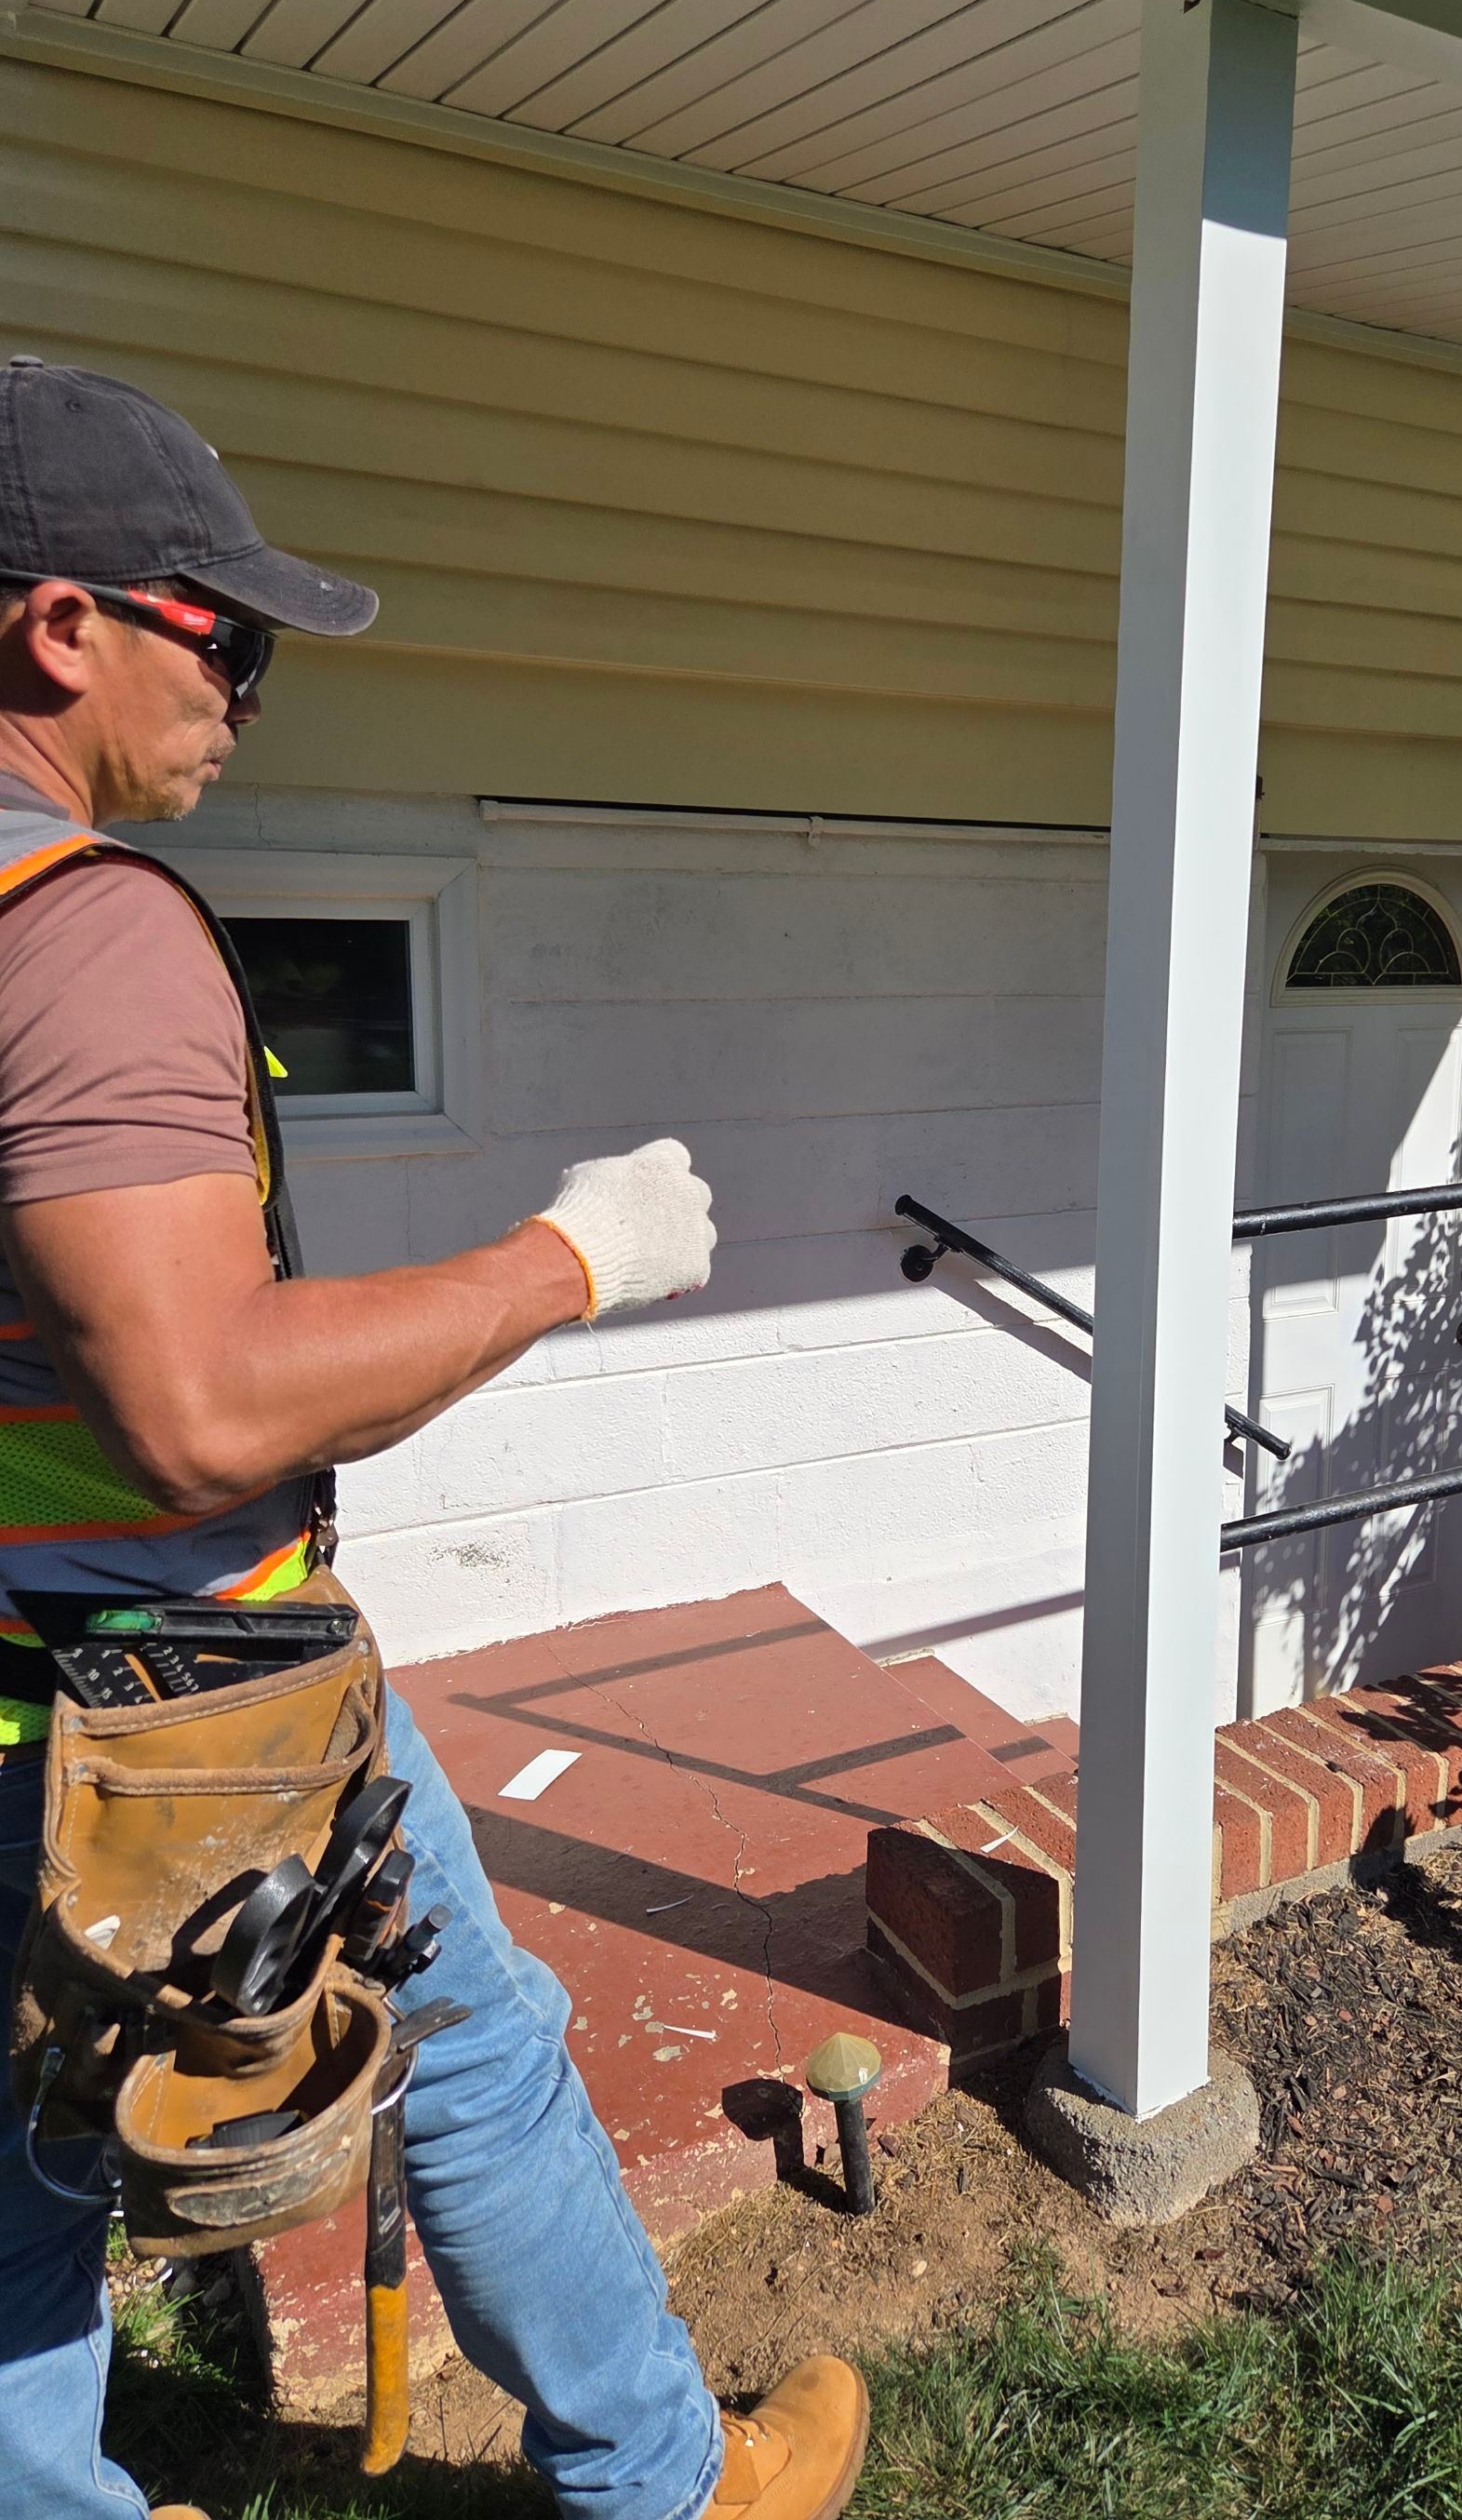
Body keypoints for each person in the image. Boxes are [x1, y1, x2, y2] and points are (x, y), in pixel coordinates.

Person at [0, 358, 868, 2520]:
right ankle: (670, 2482)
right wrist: (567, 1259)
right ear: (58, 624)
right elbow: (194, 1404)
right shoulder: (78, 934)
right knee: (471, 2054)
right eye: (230, 637)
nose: (255, 696)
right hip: (160, 1723)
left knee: (19, 2164)